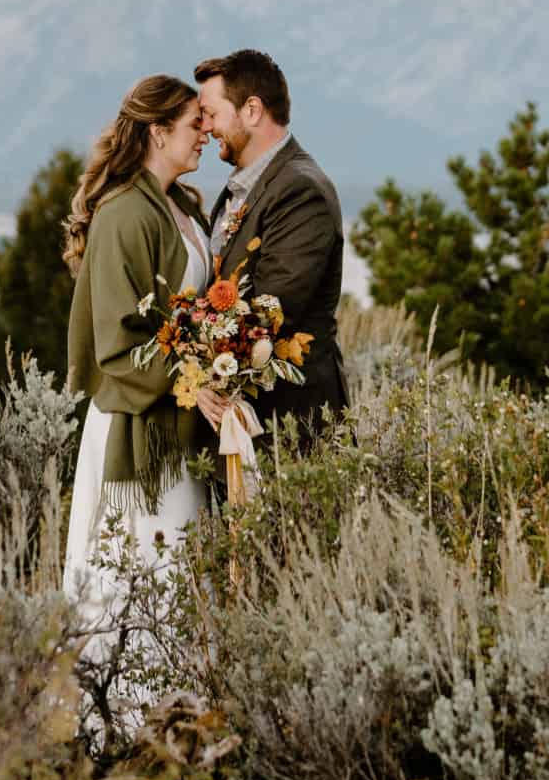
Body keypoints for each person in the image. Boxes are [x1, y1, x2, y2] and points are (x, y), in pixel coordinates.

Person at [61, 73, 213, 634]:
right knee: (139, 580)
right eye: (196, 124)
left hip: (178, 421)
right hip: (139, 431)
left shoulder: (182, 209)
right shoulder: (125, 213)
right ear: (157, 131)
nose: (206, 134)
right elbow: (120, 346)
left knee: (180, 576)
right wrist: (200, 382)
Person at [193, 49, 348, 445]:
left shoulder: (300, 190)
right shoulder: (244, 188)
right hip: (246, 424)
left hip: (290, 428)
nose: (205, 128)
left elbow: (271, 311)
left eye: (212, 113)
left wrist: (191, 365)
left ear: (252, 109)